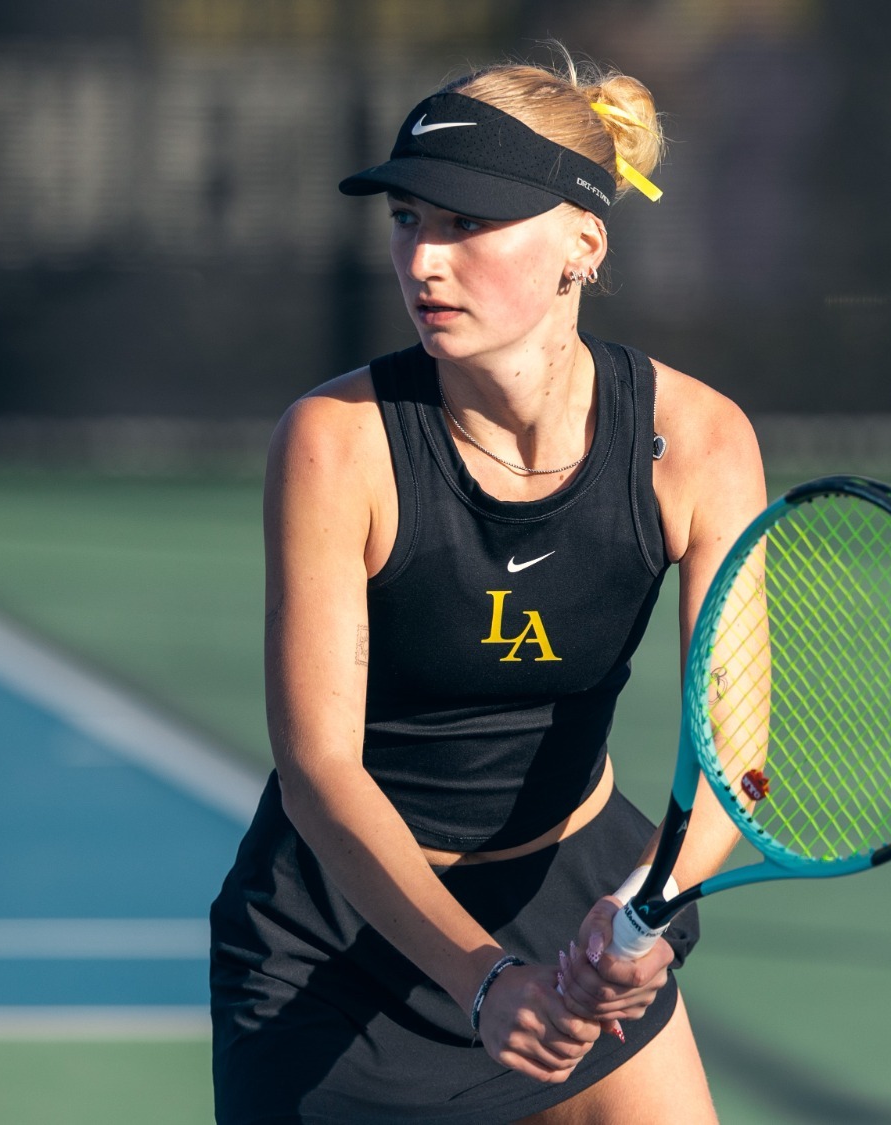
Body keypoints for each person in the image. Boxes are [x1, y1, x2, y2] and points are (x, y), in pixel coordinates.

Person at [209, 50, 765, 1124]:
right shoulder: (337, 445)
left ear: (579, 244)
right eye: (409, 219)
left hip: (571, 900)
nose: (423, 259)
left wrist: (640, 911)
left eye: (467, 224)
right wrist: (480, 980)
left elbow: (734, 759)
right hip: (341, 948)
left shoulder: (695, 443)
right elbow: (319, 769)